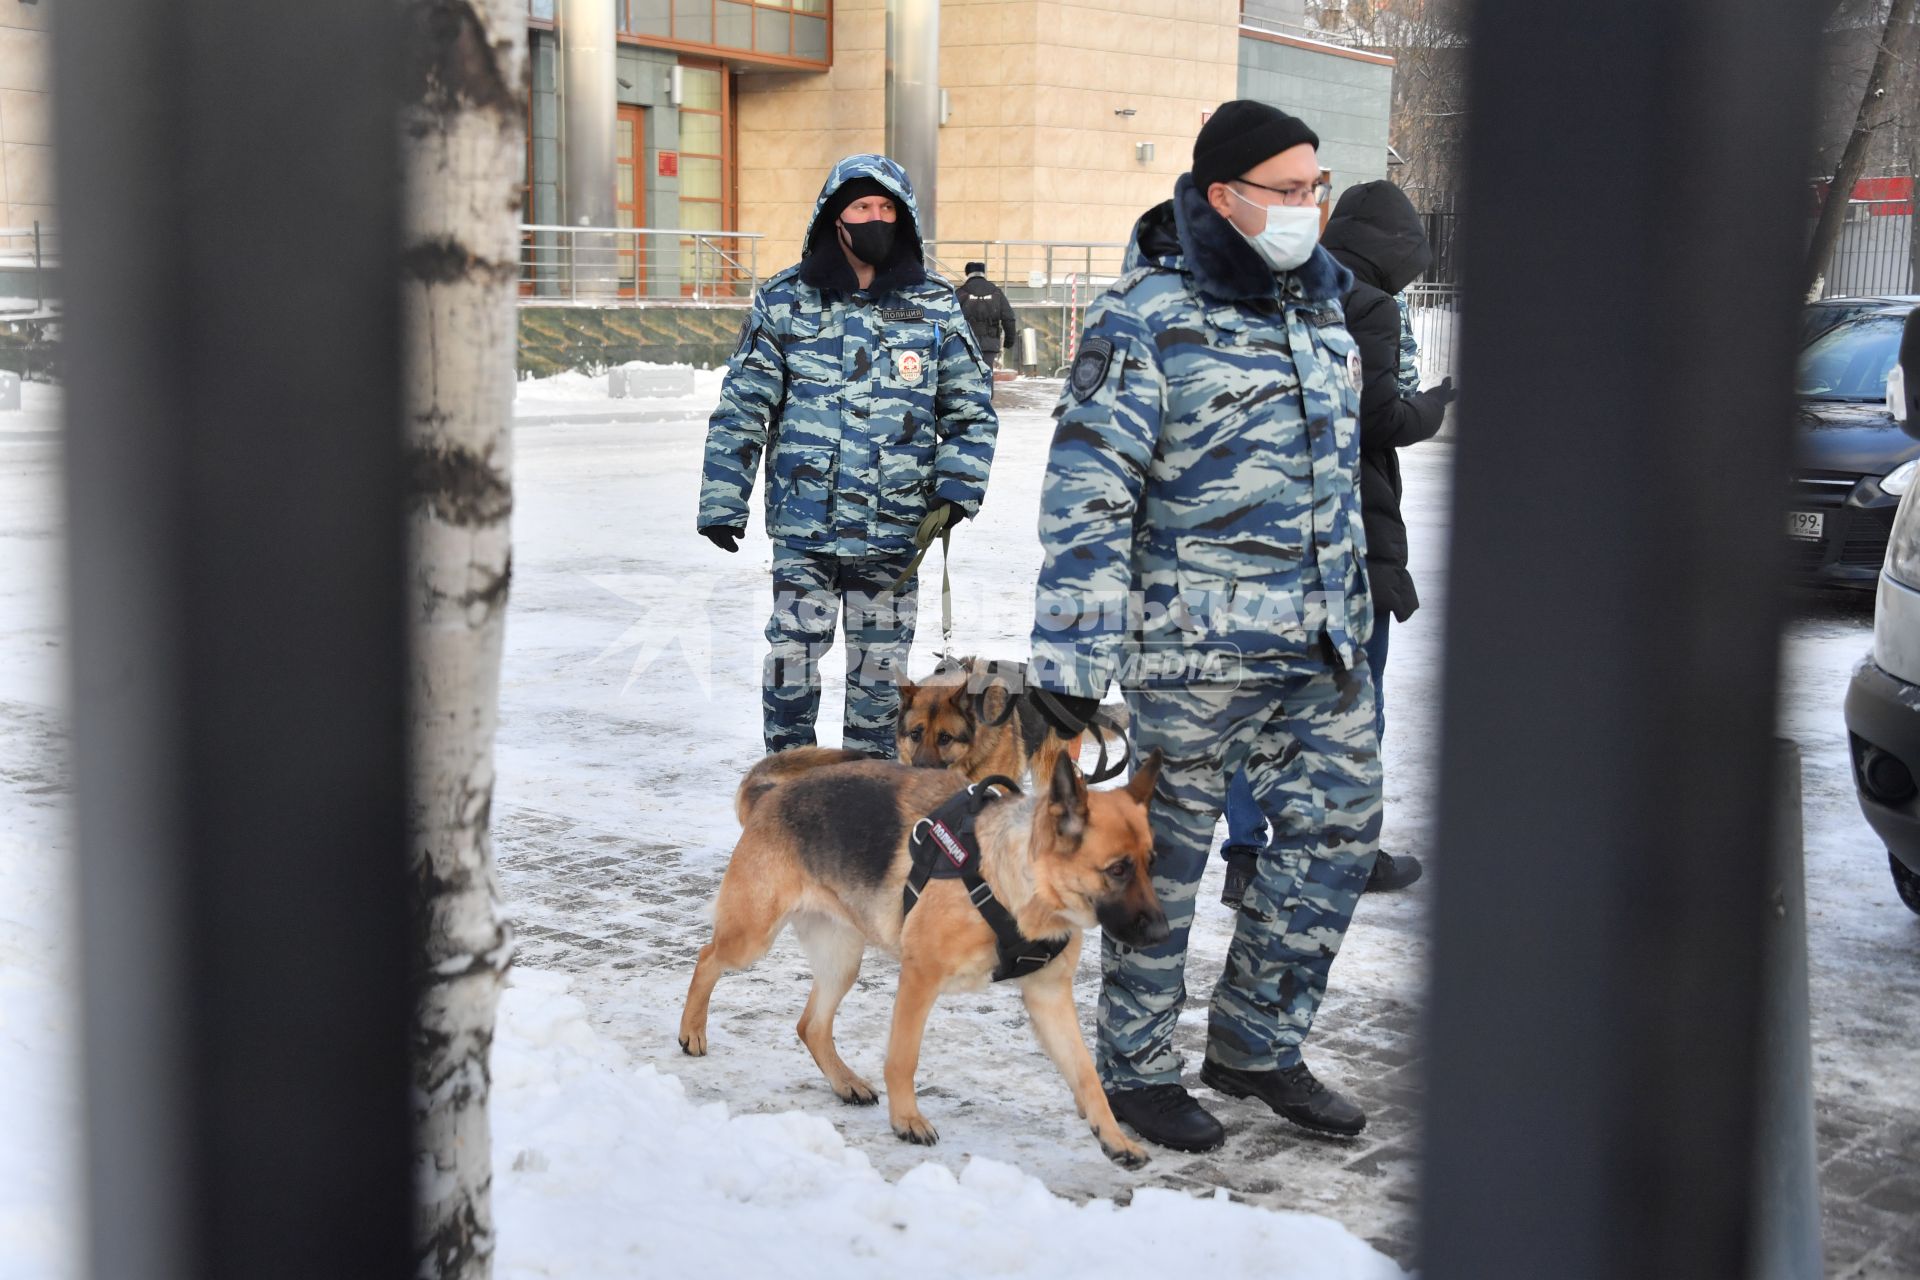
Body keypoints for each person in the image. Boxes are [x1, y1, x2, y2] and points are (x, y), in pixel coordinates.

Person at [1025, 100, 1381, 1153]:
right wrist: (1074, 657)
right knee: (1160, 872)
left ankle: (1256, 1040)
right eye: (1289, 188)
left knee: (1336, 840)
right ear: (1224, 196)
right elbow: (1089, 493)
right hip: (1196, 655)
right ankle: (1136, 1071)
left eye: (1318, 186)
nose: (1310, 207)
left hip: (1322, 651)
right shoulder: (1148, 316)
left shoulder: (1324, 312)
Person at [697, 155, 998, 757]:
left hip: (896, 532)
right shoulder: (785, 301)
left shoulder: (935, 304)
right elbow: (743, 407)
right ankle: (788, 795)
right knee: (792, 660)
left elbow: (970, 412)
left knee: (881, 682)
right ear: (835, 217)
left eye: (887, 209)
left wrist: (956, 490)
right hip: (806, 527)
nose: (875, 219)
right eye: (862, 207)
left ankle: (867, 805)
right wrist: (722, 499)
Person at [1217, 179, 1456, 906]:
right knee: (1356, 700)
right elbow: (1377, 418)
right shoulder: (1371, 304)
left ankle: (1247, 855)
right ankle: (1346, 851)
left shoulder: (1279, 288)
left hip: (1265, 533)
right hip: (1349, 536)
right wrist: (1432, 409)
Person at [956, 261, 1019, 370]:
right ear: (983, 273)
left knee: (968, 377)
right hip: (990, 344)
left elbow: (951, 317)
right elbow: (1009, 318)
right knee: (986, 376)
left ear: (967, 273)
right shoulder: (996, 292)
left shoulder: (961, 293)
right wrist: (1009, 341)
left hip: (966, 344)